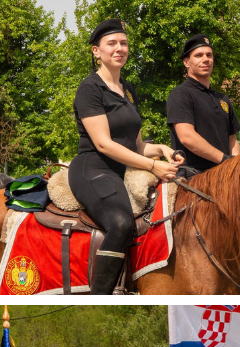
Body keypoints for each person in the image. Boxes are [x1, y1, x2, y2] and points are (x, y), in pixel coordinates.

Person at [69, 19, 182, 294]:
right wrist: (153, 166)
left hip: (121, 170)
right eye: (112, 43)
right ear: (96, 51)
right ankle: (99, 297)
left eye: (123, 43)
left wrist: (163, 150)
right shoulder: (90, 88)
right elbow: (104, 144)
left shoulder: (128, 89)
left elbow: (137, 145)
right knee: (121, 224)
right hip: (93, 168)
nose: (119, 48)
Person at [167, 34, 240, 173]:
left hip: (224, 175)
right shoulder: (181, 94)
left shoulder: (223, 99)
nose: (206, 59)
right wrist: (225, 160)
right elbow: (187, 137)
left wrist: (236, 164)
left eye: (209, 55)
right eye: (198, 55)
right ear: (186, 62)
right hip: (193, 177)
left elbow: (232, 139)